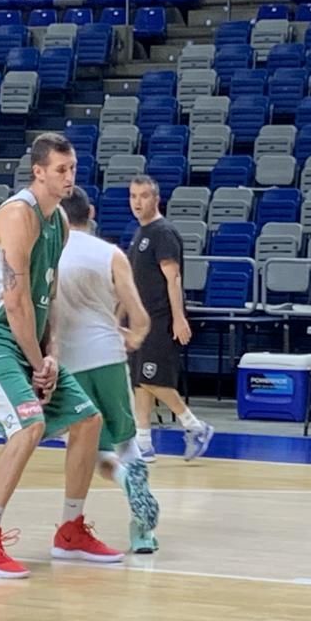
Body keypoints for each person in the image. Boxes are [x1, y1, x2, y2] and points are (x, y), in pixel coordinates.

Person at [0, 133, 123, 579]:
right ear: (39, 172)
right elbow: (15, 302)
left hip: (29, 341)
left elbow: (50, 295)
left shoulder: (60, 224)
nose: (69, 177)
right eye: (61, 170)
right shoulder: (17, 216)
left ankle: (70, 531)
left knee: (88, 420)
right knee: (30, 424)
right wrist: (37, 360)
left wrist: (53, 352)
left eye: (73, 169)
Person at [55, 186, 160, 554]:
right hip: (109, 355)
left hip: (68, 362)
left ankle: (117, 478)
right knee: (127, 440)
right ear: (92, 212)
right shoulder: (111, 253)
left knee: (88, 448)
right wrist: (134, 335)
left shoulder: (50, 254)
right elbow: (140, 315)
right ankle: (143, 532)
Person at [127, 176, 213, 463]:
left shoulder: (163, 232)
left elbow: (173, 278)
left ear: (156, 199)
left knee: (153, 379)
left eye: (144, 196)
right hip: (141, 320)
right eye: (133, 196)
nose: (138, 202)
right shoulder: (141, 233)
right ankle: (143, 443)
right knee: (140, 382)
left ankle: (195, 426)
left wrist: (178, 318)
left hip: (159, 319)